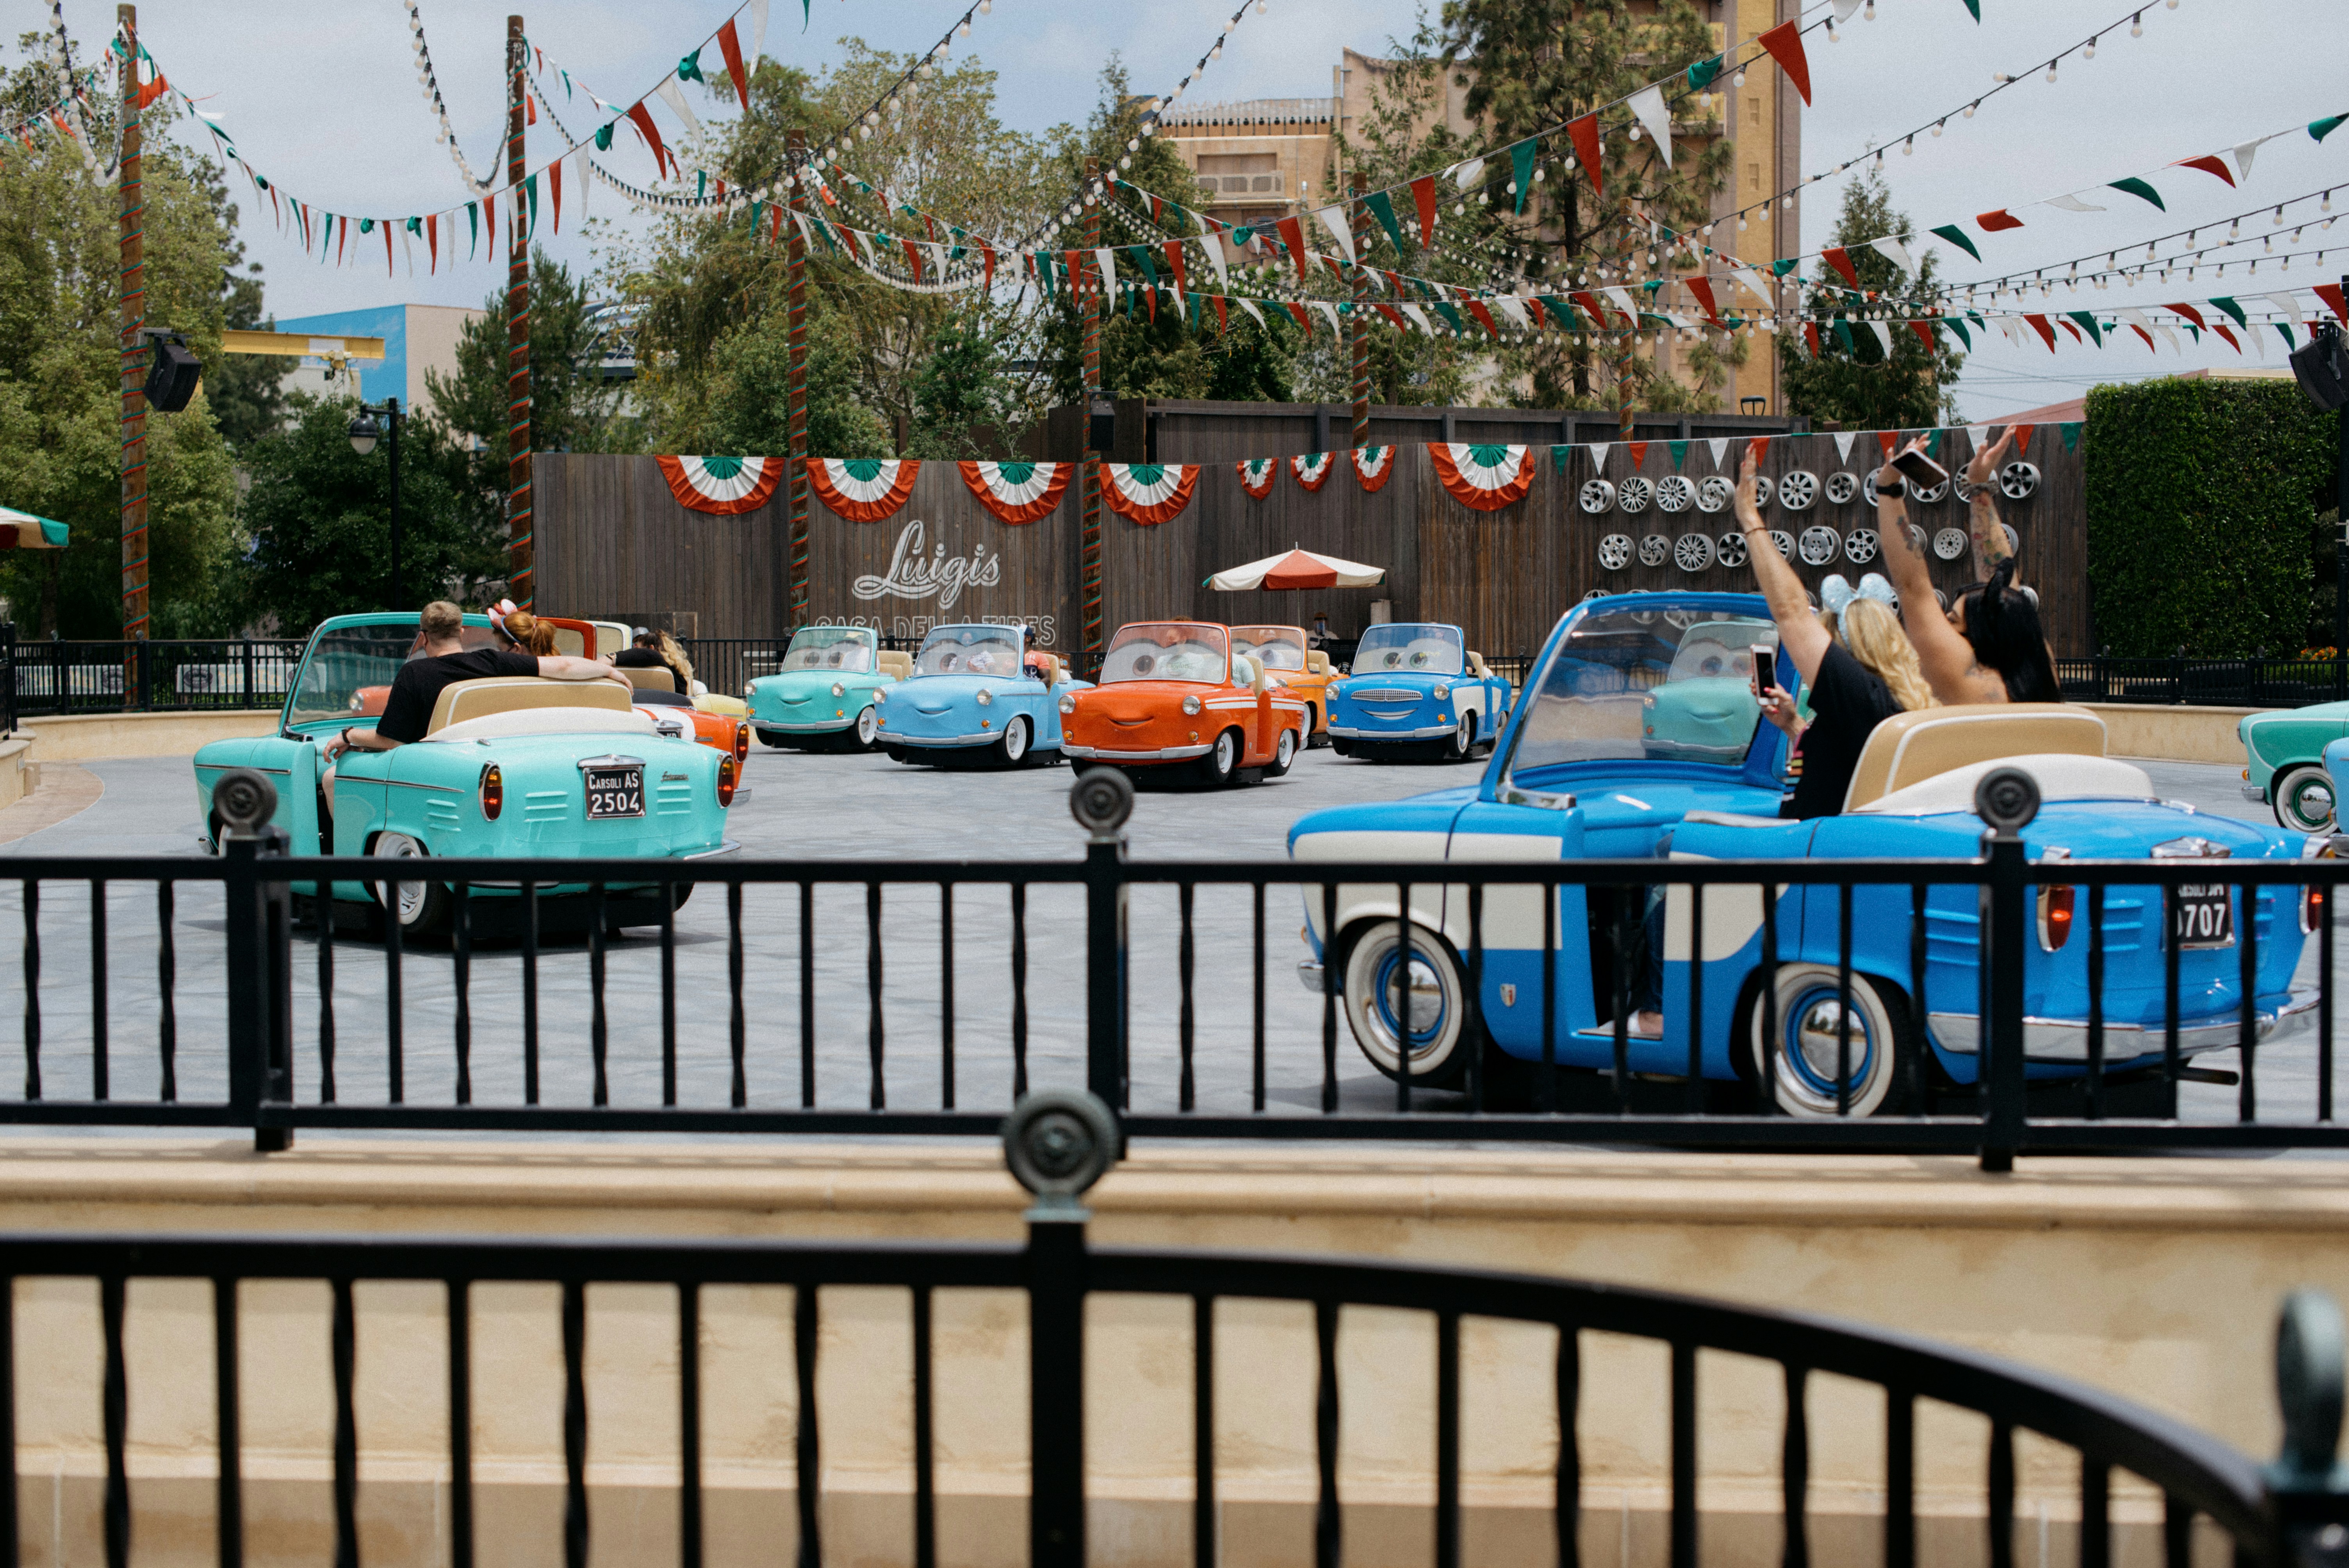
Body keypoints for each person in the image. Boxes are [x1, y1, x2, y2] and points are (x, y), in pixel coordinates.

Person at [1624, 447, 1935, 1038]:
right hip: (1843, 842)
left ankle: (1659, 1008)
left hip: (1810, 851)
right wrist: (1794, 726)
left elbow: (1790, 611)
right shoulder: (1905, 707)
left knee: (1668, 847)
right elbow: (1851, 763)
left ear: (1848, 648)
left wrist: (1751, 519)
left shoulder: (1855, 692)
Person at [323, 600, 632, 786]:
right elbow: (563, 668)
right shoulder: (492, 660)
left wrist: (349, 735)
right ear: (460, 632)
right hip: (489, 759)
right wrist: (606, 668)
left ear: (423, 637)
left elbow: (392, 741)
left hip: (428, 769)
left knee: (331, 777)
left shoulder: (413, 674)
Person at [1872, 431, 2063, 704]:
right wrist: (1978, 488)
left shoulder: (1963, 680)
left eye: (1952, 620)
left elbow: (1913, 588)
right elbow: (2002, 582)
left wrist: (1887, 488)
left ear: (1978, 636)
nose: (1944, 624)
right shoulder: (2040, 667)